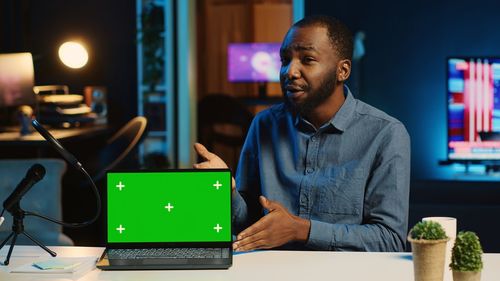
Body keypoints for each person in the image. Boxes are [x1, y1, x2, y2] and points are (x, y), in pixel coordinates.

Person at [194, 15, 410, 252]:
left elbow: (390, 239)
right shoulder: (264, 124)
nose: (290, 71)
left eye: (307, 59)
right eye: (285, 60)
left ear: (343, 70)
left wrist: (301, 229)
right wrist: (228, 192)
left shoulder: (386, 134)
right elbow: (249, 224)